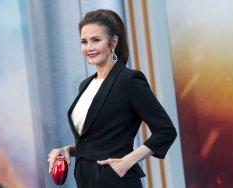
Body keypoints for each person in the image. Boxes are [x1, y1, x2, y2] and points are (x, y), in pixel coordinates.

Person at [48, 9, 177, 188]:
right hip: (85, 181)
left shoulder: (129, 80)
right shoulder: (85, 85)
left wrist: (127, 161)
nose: (89, 48)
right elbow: (97, 142)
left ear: (113, 42)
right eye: (84, 42)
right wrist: (68, 150)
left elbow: (166, 131)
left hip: (116, 181)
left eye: (96, 40)